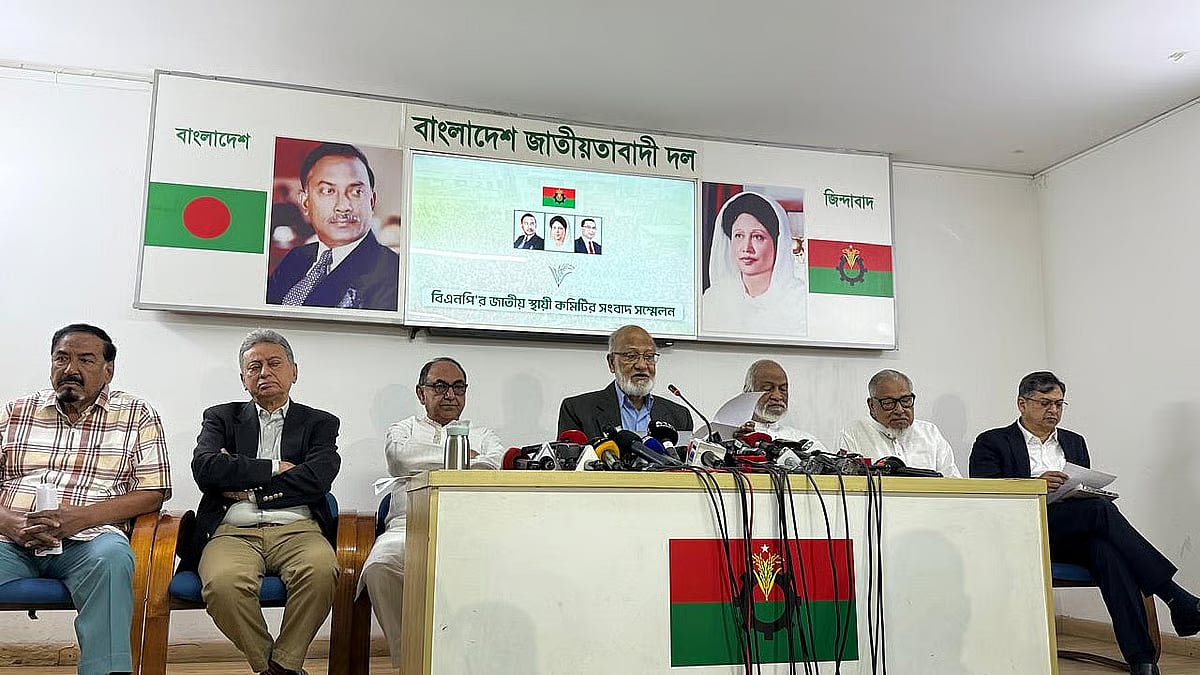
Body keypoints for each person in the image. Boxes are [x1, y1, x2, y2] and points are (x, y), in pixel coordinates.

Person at [971, 372, 1200, 675]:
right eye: (1044, 403)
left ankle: (1141, 660)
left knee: (1109, 552)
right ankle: (1175, 596)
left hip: (1072, 529)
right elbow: (985, 493)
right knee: (1100, 511)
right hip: (1023, 530)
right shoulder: (992, 441)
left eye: (1059, 404)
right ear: (1022, 404)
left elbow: (1082, 491)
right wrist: (1034, 484)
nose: (1053, 410)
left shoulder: (1074, 442)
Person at [0, 324, 171, 675]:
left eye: (85, 360)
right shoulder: (15, 411)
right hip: (9, 539)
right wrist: (9, 523)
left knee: (113, 559)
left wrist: (81, 518)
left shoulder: (136, 414)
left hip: (89, 541)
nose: (70, 369)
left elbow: (153, 491)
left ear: (108, 370)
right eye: (61, 358)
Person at [185, 329, 341, 675]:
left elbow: (319, 477)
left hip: (298, 529)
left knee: (321, 571)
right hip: (232, 530)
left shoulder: (319, 422)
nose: (264, 373)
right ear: (243, 379)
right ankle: (276, 667)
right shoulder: (221, 417)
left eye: (274, 364)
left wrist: (247, 485)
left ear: (293, 371)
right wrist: (275, 468)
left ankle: (281, 667)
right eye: (254, 367)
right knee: (223, 584)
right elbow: (206, 469)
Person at [358, 357, 503, 667]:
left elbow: (491, 465)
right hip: (407, 527)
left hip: (469, 530)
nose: (449, 394)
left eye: (458, 387)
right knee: (379, 568)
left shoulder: (484, 435)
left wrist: (432, 459)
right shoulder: (403, 429)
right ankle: (411, 659)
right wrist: (464, 457)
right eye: (439, 386)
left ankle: (470, 658)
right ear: (420, 393)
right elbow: (400, 459)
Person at [266, 143, 400, 311]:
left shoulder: (393, 272)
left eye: (356, 192)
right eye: (328, 191)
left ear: (372, 202)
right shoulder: (296, 257)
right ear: (305, 202)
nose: (343, 206)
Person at [702, 191, 808, 337]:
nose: (747, 247)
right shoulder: (714, 298)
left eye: (757, 237)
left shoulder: (800, 299)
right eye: (739, 236)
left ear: (778, 242)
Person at [557, 325, 693, 438]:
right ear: (612, 363)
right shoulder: (577, 410)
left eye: (649, 357)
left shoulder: (680, 416)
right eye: (631, 356)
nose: (642, 365)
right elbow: (571, 466)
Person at [837, 369, 961, 477]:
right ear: (872, 406)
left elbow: (953, 483)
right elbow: (846, 484)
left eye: (906, 401)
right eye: (889, 403)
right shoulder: (855, 433)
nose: (900, 410)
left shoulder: (930, 433)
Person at [734, 360, 827, 450]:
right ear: (747, 392)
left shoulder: (807, 443)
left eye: (783, 389)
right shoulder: (733, 437)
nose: (777, 396)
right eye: (768, 389)